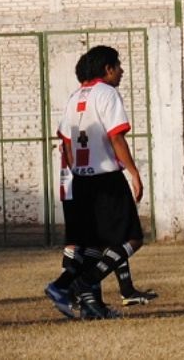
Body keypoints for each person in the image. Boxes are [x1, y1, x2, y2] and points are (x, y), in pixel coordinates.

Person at [46, 53, 157, 319]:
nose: (122, 71)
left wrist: (78, 171)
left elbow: (66, 142)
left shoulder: (75, 97)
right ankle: (81, 284)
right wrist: (134, 172)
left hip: (81, 179)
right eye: (118, 66)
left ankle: (89, 305)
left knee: (93, 246)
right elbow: (116, 136)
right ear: (108, 69)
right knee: (132, 238)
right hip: (105, 178)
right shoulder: (107, 93)